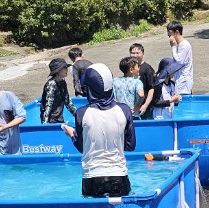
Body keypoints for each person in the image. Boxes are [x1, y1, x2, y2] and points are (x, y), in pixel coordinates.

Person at [61, 64, 136, 197]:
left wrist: (72, 134)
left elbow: (82, 148)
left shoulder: (82, 113)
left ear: (90, 89)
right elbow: (130, 146)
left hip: (92, 176)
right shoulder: (124, 110)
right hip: (119, 175)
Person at [40, 57, 75, 124]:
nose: (67, 70)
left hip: (59, 118)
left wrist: (78, 116)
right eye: (64, 68)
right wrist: (45, 125)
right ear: (58, 71)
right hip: (50, 120)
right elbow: (48, 106)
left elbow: (67, 102)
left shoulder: (63, 82)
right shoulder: (51, 84)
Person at [129, 43, 157, 119]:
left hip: (144, 107)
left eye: (137, 53)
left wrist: (145, 105)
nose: (135, 55)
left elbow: (151, 89)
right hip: (132, 107)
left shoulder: (147, 69)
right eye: (132, 53)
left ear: (143, 54)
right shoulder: (129, 68)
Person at [168, 21, 194, 95]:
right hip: (181, 80)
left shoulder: (184, 45)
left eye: (170, 34)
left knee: (183, 104)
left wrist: (173, 46)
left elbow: (179, 62)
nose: (170, 37)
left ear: (176, 32)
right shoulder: (180, 45)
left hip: (183, 81)